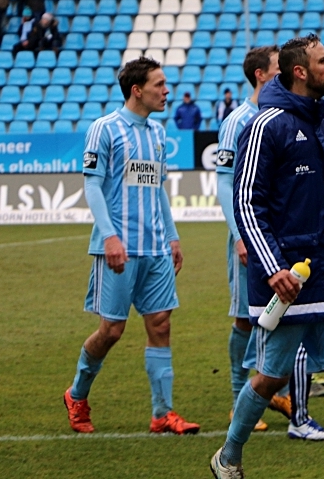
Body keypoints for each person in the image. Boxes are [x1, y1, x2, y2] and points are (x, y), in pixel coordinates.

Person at [210, 34, 324, 479]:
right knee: (269, 379)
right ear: (300, 71)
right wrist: (273, 266)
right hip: (287, 281)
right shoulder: (266, 125)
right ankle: (230, 455)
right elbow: (246, 202)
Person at [63, 56, 199, 436]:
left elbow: (157, 191)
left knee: (160, 324)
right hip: (119, 246)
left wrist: (171, 235)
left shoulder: (157, 134)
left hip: (155, 247)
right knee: (111, 331)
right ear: (137, 90)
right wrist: (109, 236)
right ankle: (77, 394)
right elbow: (92, 185)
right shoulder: (104, 129)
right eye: (159, 84)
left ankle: (162, 414)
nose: (166, 90)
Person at [216, 46, 324, 441]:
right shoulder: (242, 122)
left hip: (290, 242)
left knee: (284, 317)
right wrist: (239, 235)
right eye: (277, 67)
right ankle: (240, 395)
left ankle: (279, 388)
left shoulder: (293, 116)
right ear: (263, 75)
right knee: (246, 317)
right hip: (252, 239)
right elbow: (227, 184)